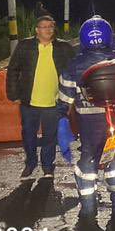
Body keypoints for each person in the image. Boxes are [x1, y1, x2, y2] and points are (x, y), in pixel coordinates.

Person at [55, 16, 115, 221]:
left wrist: (62, 122)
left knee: (87, 166)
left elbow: (63, 101)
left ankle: (88, 209)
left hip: (88, 128)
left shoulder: (73, 66)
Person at [6, 14, 74, 179]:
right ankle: (30, 163)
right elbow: (13, 69)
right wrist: (13, 94)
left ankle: (48, 166)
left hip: (53, 102)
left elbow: (73, 72)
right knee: (28, 135)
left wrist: (71, 98)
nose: (48, 30)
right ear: (37, 30)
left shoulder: (63, 48)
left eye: (50, 26)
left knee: (50, 137)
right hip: (30, 102)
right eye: (44, 27)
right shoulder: (25, 46)